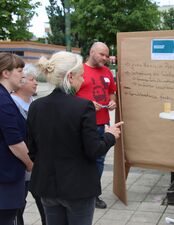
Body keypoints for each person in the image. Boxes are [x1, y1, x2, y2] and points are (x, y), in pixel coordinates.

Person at [27, 51, 123, 225]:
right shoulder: (83, 106)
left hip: (47, 186)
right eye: (81, 76)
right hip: (78, 188)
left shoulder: (36, 106)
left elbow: (32, 151)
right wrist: (110, 135)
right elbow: (93, 150)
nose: (83, 80)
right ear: (70, 76)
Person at [76, 42, 117, 209]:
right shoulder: (78, 70)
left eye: (107, 56)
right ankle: (79, 191)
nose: (105, 59)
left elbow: (111, 92)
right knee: (81, 158)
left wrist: (113, 101)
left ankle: (93, 194)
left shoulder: (107, 71)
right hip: (81, 123)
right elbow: (69, 95)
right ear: (91, 52)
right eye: (102, 54)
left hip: (102, 123)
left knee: (99, 160)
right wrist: (87, 104)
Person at [0, 53, 33, 225]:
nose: (23, 75)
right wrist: (30, 164)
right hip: (6, 178)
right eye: (19, 70)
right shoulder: (4, 101)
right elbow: (14, 142)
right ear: (6, 73)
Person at [11, 64, 46, 225]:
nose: (36, 82)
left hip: (37, 164)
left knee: (44, 204)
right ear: (21, 81)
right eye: (32, 79)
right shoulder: (11, 104)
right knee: (18, 206)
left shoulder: (35, 103)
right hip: (21, 164)